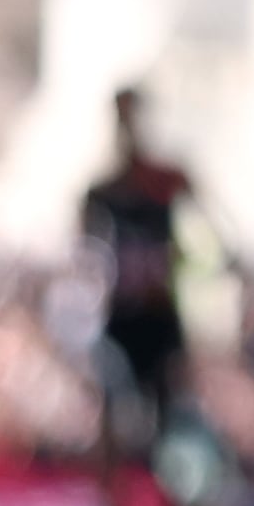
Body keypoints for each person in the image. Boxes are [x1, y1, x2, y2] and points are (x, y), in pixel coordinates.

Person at [83, 86, 202, 457]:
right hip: (122, 318)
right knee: (113, 406)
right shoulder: (101, 191)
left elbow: (210, 227)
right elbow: (87, 252)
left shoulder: (166, 181)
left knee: (168, 413)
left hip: (160, 315)